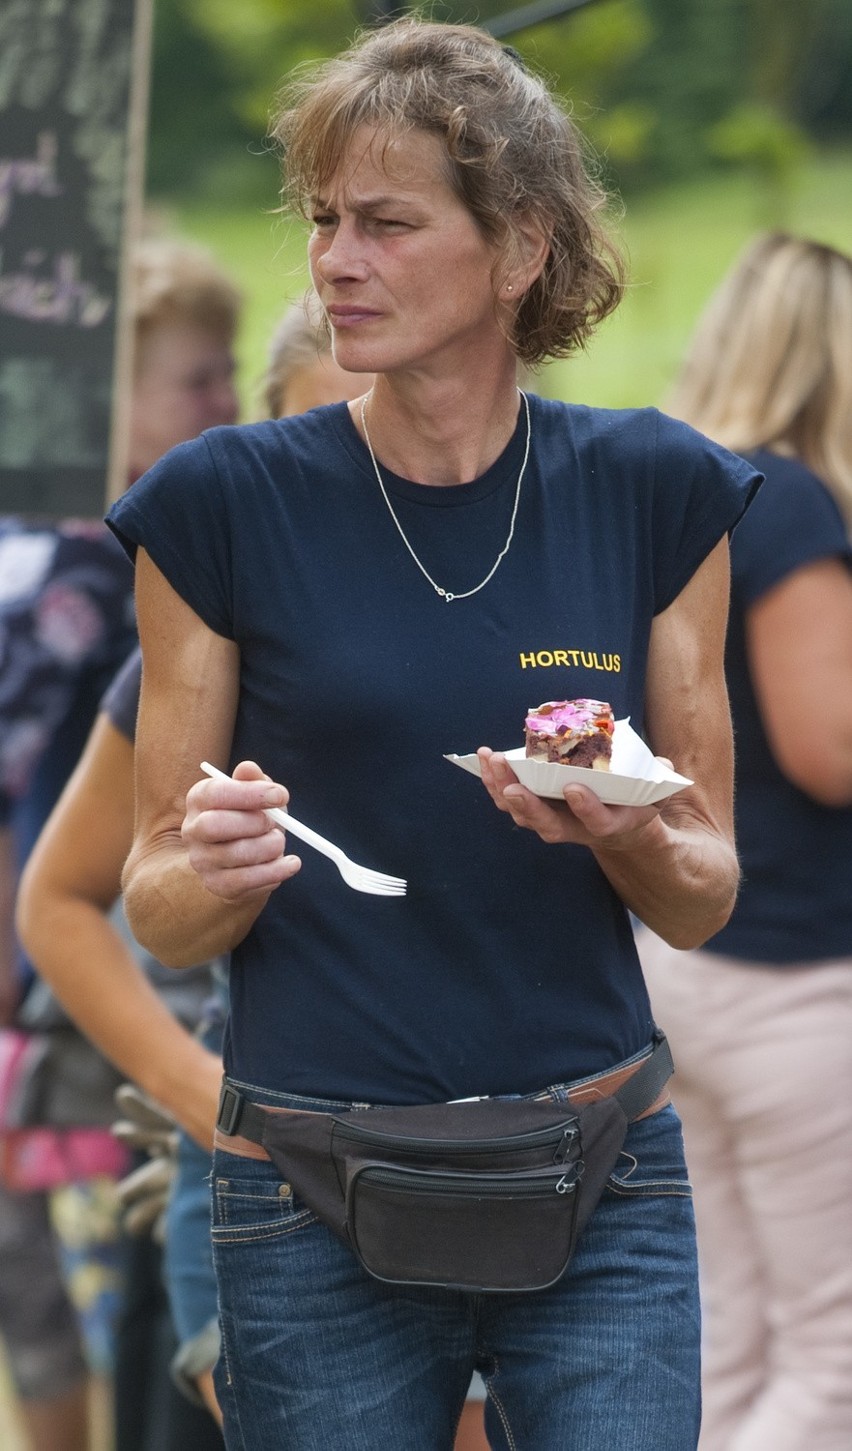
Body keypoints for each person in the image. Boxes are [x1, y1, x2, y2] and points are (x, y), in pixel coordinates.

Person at [105, 20, 760, 1450]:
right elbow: (157, 897)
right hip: (306, 1191)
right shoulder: (220, 501)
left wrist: (624, 825)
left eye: (388, 223)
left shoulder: (657, 488)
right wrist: (213, 864)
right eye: (327, 221)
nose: (337, 259)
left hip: (598, 1176)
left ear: (520, 248)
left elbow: (705, 892)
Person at [0, 235, 241, 1451]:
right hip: (85, 988)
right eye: (197, 379)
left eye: (230, 371)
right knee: (85, 1299)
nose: (227, 399)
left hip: (123, 972)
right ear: (117, 402)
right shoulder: (91, 568)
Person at [635, 232, 852, 1451]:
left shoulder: (689, 500)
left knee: (732, 1344)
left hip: (691, 965)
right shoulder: (796, 503)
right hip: (794, 982)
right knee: (837, 1364)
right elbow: (833, 743)